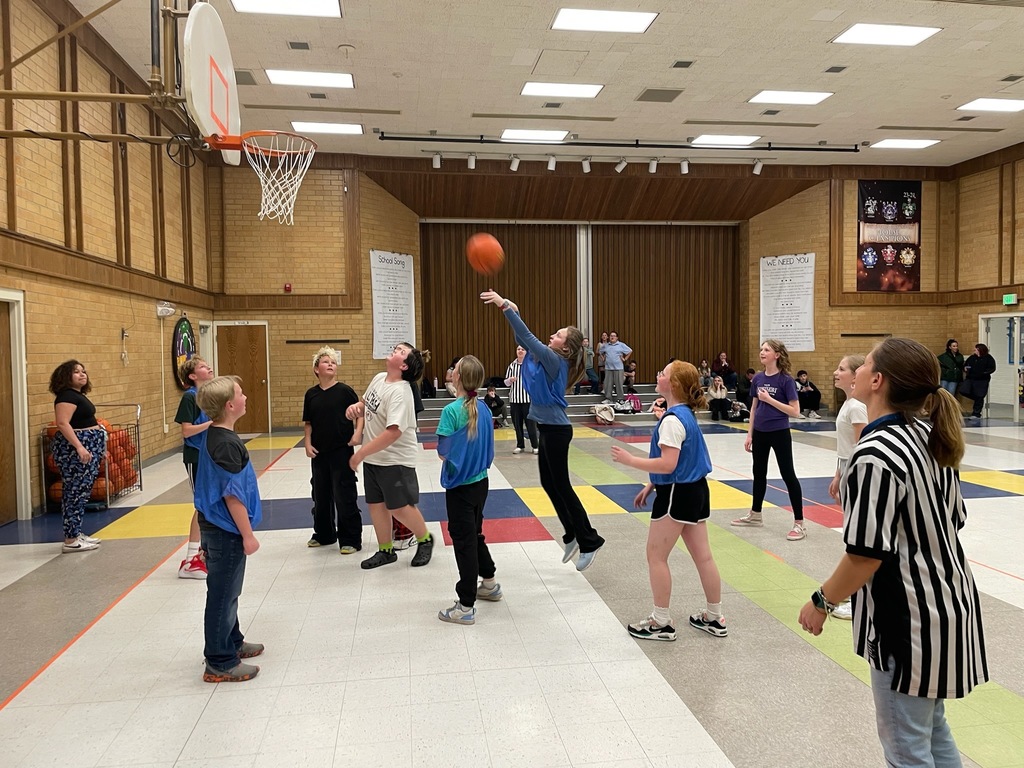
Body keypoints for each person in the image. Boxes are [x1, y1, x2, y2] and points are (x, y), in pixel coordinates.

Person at [797, 338, 987, 765]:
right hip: (949, 603)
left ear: (877, 381)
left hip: (908, 623)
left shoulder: (875, 454)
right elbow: (954, 518)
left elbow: (866, 554)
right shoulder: (929, 435)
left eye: (864, 364)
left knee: (906, 748)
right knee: (934, 734)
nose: (857, 370)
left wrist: (822, 601)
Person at [482, 290, 605, 570]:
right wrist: (513, 310)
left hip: (558, 431)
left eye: (559, 335)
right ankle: (573, 534)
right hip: (548, 429)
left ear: (566, 348)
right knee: (550, 484)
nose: (553, 335)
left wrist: (505, 307)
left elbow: (527, 337)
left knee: (562, 485)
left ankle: (589, 539)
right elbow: (523, 340)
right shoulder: (542, 359)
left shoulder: (554, 360)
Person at [611, 361, 726, 641]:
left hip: (676, 494)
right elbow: (681, 460)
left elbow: (667, 463)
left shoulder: (672, 420)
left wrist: (631, 460)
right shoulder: (684, 414)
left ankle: (660, 621)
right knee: (704, 556)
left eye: (662, 373)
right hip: (696, 490)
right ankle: (715, 616)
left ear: (672, 385)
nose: (658, 375)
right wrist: (651, 484)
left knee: (656, 556)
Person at [194, 376, 264, 683]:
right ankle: (220, 661)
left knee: (228, 591)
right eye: (240, 393)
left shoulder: (216, 435)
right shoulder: (226, 444)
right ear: (229, 405)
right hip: (226, 530)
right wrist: (247, 535)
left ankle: (232, 641)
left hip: (216, 527)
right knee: (223, 594)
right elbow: (232, 495)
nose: (246, 396)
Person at [346, 343, 435, 570]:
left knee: (399, 507)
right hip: (375, 459)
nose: (395, 350)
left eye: (400, 351)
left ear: (404, 365)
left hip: (395, 460)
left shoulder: (402, 392)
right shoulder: (379, 378)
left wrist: (360, 454)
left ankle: (425, 539)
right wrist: (356, 409)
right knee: (376, 505)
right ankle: (386, 550)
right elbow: (365, 404)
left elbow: (393, 432)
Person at [436, 355, 500, 625]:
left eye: (455, 369)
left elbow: (443, 453)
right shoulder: (483, 407)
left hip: (460, 487)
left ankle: (465, 605)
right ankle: (489, 583)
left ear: (458, 377)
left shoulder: (451, 411)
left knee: (463, 542)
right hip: (481, 482)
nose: (451, 371)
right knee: (474, 533)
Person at [731, 339, 807, 541]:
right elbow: (754, 407)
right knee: (758, 473)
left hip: (779, 432)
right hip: (760, 432)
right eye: (761, 349)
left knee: (788, 474)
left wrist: (770, 400)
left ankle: (799, 523)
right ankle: (755, 515)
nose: (762, 352)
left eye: (766, 349)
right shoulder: (757, 378)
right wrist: (750, 433)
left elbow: (796, 411)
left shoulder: (786, 380)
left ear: (777, 355)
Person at [303, 346, 363, 553]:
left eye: (333, 362)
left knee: (344, 494)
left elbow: (360, 413)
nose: (330, 364)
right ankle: (324, 534)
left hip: (341, 451)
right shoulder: (311, 394)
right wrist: (307, 442)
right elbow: (308, 422)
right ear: (316, 369)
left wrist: (357, 434)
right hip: (319, 453)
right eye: (326, 362)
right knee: (320, 495)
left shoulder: (345, 391)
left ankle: (351, 539)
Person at [826, 354, 868, 621]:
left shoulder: (857, 408)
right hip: (848, 470)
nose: (835, 372)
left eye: (841, 369)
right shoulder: (847, 404)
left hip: (858, 473)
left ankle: (859, 599)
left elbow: (863, 446)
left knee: (858, 537)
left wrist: (850, 476)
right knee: (851, 532)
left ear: (855, 376)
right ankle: (855, 591)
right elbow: (845, 450)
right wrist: (838, 474)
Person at [49, 360, 106, 553]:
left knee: (82, 492)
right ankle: (71, 539)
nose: (82, 374)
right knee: (74, 492)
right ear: (66, 376)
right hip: (76, 448)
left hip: (90, 444)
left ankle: (76, 531)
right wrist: (80, 447)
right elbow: (63, 423)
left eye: (83, 371)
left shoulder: (77, 395)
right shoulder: (66, 396)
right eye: (76, 372)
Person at [174, 357, 215, 578]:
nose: (208, 368)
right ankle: (190, 560)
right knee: (202, 504)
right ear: (192, 375)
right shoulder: (190, 398)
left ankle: (203, 553)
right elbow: (187, 431)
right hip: (196, 457)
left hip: (210, 456)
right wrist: (212, 422)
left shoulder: (208, 396)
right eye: (202, 366)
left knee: (211, 503)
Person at [505, 345, 539, 455]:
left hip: (528, 400)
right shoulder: (512, 366)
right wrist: (510, 380)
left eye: (522, 349)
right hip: (515, 400)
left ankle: (535, 445)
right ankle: (520, 445)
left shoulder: (531, 365)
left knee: (531, 424)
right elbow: (505, 383)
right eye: (518, 349)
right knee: (517, 424)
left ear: (526, 352)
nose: (520, 351)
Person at [962, 342, 996, 419]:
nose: (975, 351)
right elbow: (966, 364)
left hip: (982, 380)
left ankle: (976, 413)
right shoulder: (972, 357)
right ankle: (977, 399)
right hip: (971, 378)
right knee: (963, 390)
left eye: (977, 349)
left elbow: (992, 368)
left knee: (980, 395)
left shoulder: (988, 358)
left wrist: (984, 373)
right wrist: (965, 368)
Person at [601, 331, 633, 404]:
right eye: (611, 336)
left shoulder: (621, 345)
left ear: (617, 338)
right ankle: (608, 399)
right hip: (608, 368)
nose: (612, 337)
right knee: (608, 384)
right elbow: (600, 351)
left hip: (618, 368)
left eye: (614, 336)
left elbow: (630, 351)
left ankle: (620, 399)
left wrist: (625, 359)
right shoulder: (606, 345)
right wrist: (603, 358)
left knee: (619, 384)